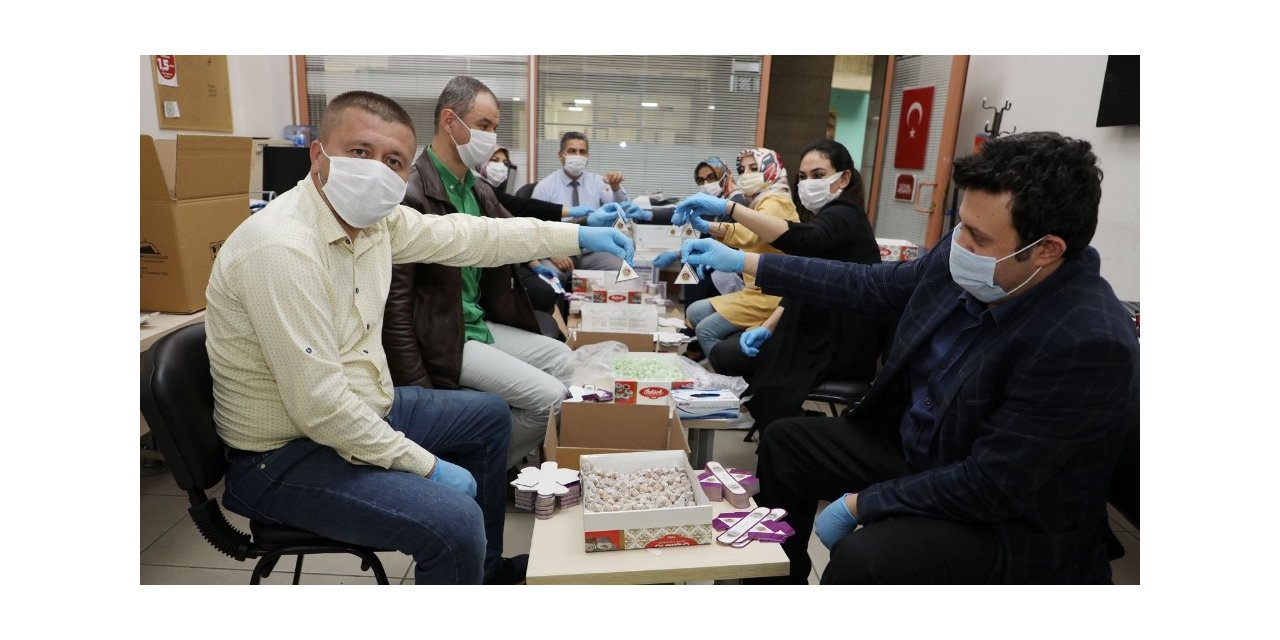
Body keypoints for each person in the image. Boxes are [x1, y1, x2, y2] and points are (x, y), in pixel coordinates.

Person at [206, 90, 632, 586]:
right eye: (360, 152)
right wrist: (428, 468)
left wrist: (576, 236)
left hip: (359, 407)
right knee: (454, 519)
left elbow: (475, 236)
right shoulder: (282, 249)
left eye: (393, 162)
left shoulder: (374, 224)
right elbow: (319, 407)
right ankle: (464, 557)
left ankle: (483, 572)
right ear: (317, 154)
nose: (376, 171)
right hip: (282, 454)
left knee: (490, 416)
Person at [679, 131, 1139, 584]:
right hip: (923, 446)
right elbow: (869, 285)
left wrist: (862, 504)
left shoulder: (1086, 341)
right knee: (787, 443)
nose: (960, 246)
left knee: (868, 558)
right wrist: (745, 263)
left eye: (978, 237)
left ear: (1046, 250)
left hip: (1007, 515)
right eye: (961, 226)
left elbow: (994, 484)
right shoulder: (975, 256)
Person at [383, 76, 582, 471]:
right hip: (442, 339)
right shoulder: (413, 189)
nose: (491, 138)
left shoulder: (473, 186)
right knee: (549, 398)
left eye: (495, 128)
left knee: (563, 360)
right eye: (484, 125)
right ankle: (473, 472)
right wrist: (418, 390)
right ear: (449, 120)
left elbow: (514, 233)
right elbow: (396, 306)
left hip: (474, 324)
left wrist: (580, 229)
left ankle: (486, 457)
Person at [688, 140, 887, 442]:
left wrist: (729, 209)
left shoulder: (846, 215)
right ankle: (773, 421)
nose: (808, 184)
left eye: (819, 175)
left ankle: (775, 425)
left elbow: (802, 242)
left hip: (839, 340)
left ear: (844, 178)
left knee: (730, 355)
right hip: (813, 324)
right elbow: (802, 282)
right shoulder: (826, 216)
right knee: (728, 352)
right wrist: (768, 328)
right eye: (803, 178)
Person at [671, 147, 798, 356]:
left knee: (706, 330)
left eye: (754, 168)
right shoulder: (759, 201)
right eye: (743, 169)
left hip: (770, 294)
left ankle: (729, 376)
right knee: (694, 311)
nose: (747, 175)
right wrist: (705, 226)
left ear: (772, 169)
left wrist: (710, 225)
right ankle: (716, 355)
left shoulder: (776, 201)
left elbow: (750, 236)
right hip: (753, 290)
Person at [531, 131, 629, 272]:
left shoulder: (599, 183)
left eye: (582, 152)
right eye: (572, 151)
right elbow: (534, 229)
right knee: (550, 279)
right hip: (557, 251)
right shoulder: (544, 187)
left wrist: (615, 188)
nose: (578, 155)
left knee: (621, 269)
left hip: (591, 250)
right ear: (560, 155)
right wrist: (551, 253)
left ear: (587, 156)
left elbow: (622, 212)